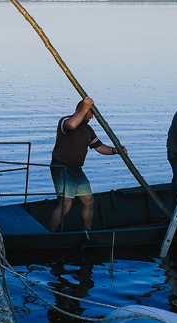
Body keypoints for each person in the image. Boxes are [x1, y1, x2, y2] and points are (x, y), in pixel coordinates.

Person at [48, 97, 125, 234]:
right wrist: (85, 107)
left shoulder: (88, 129)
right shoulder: (65, 121)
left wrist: (115, 150)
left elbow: (99, 147)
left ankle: (87, 232)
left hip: (77, 170)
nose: (92, 117)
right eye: (90, 113)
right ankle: (51, 234)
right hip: (62, 168)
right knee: (66, 204)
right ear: (81, 110)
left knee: (88, 200)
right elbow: (71, 125)